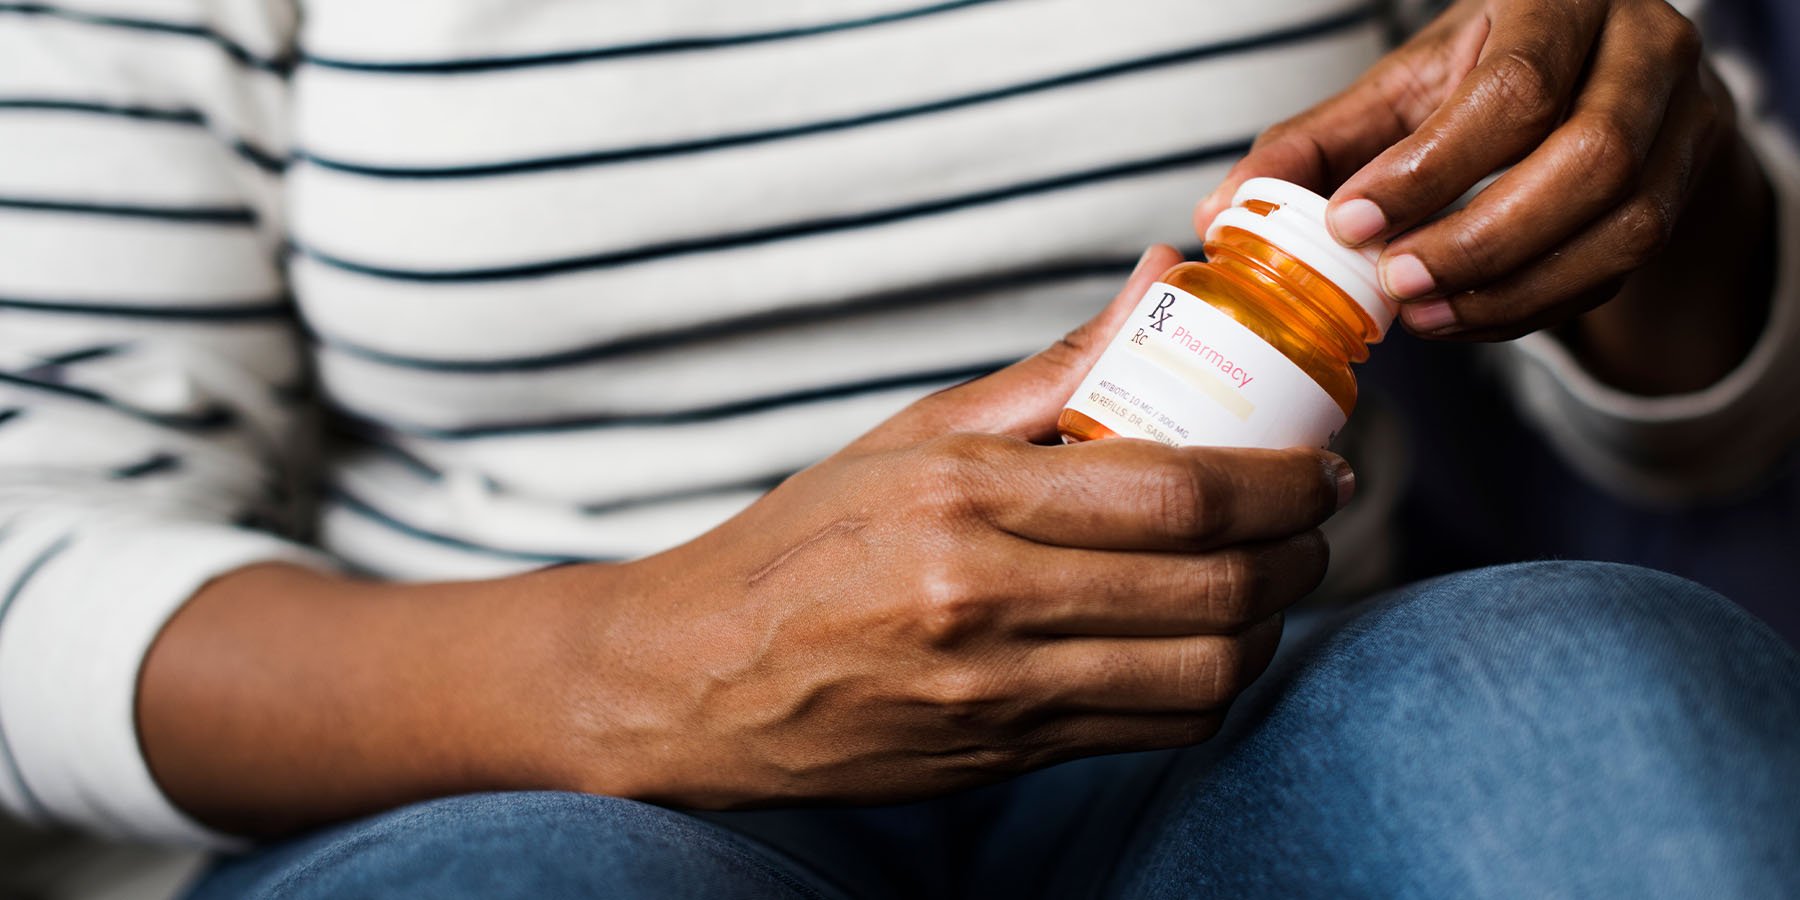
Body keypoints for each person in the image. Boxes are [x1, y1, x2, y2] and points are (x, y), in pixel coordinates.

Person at [0, 0, 1795, 897]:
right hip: (509, 753)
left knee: (1564, 702)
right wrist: (626, 669)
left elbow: (1703, 423)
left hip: (1262, 709)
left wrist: (1671, 181)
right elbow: (31, 556)